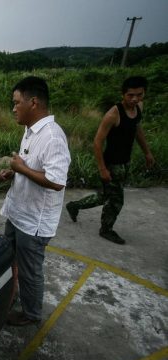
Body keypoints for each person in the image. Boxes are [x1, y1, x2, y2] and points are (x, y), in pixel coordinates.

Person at [0, 76, 71, 326]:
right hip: (18, 213)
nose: (14, 108)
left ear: (34, 102)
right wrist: (14, 171)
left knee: (30, 271)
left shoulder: (53, 137)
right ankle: (11, 296)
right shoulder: (30, 131)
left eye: (17, 103)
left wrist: (22, 168)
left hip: (34, 222)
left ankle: (31, 314)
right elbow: (32, 166)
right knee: (9, 260)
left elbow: (57, 181)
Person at [65, 76, 154, 245]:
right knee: (116, 200)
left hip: (125, 162)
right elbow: (97, 142)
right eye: (130, 95)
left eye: (139, 94)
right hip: (112, 163)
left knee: (105, 196)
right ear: (123, 94)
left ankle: (74, 205)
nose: (135, 99)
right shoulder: (113, 114)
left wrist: (147, 152)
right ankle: (106, 229)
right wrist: (102, 169)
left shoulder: (138, 108)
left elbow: (137, 130)